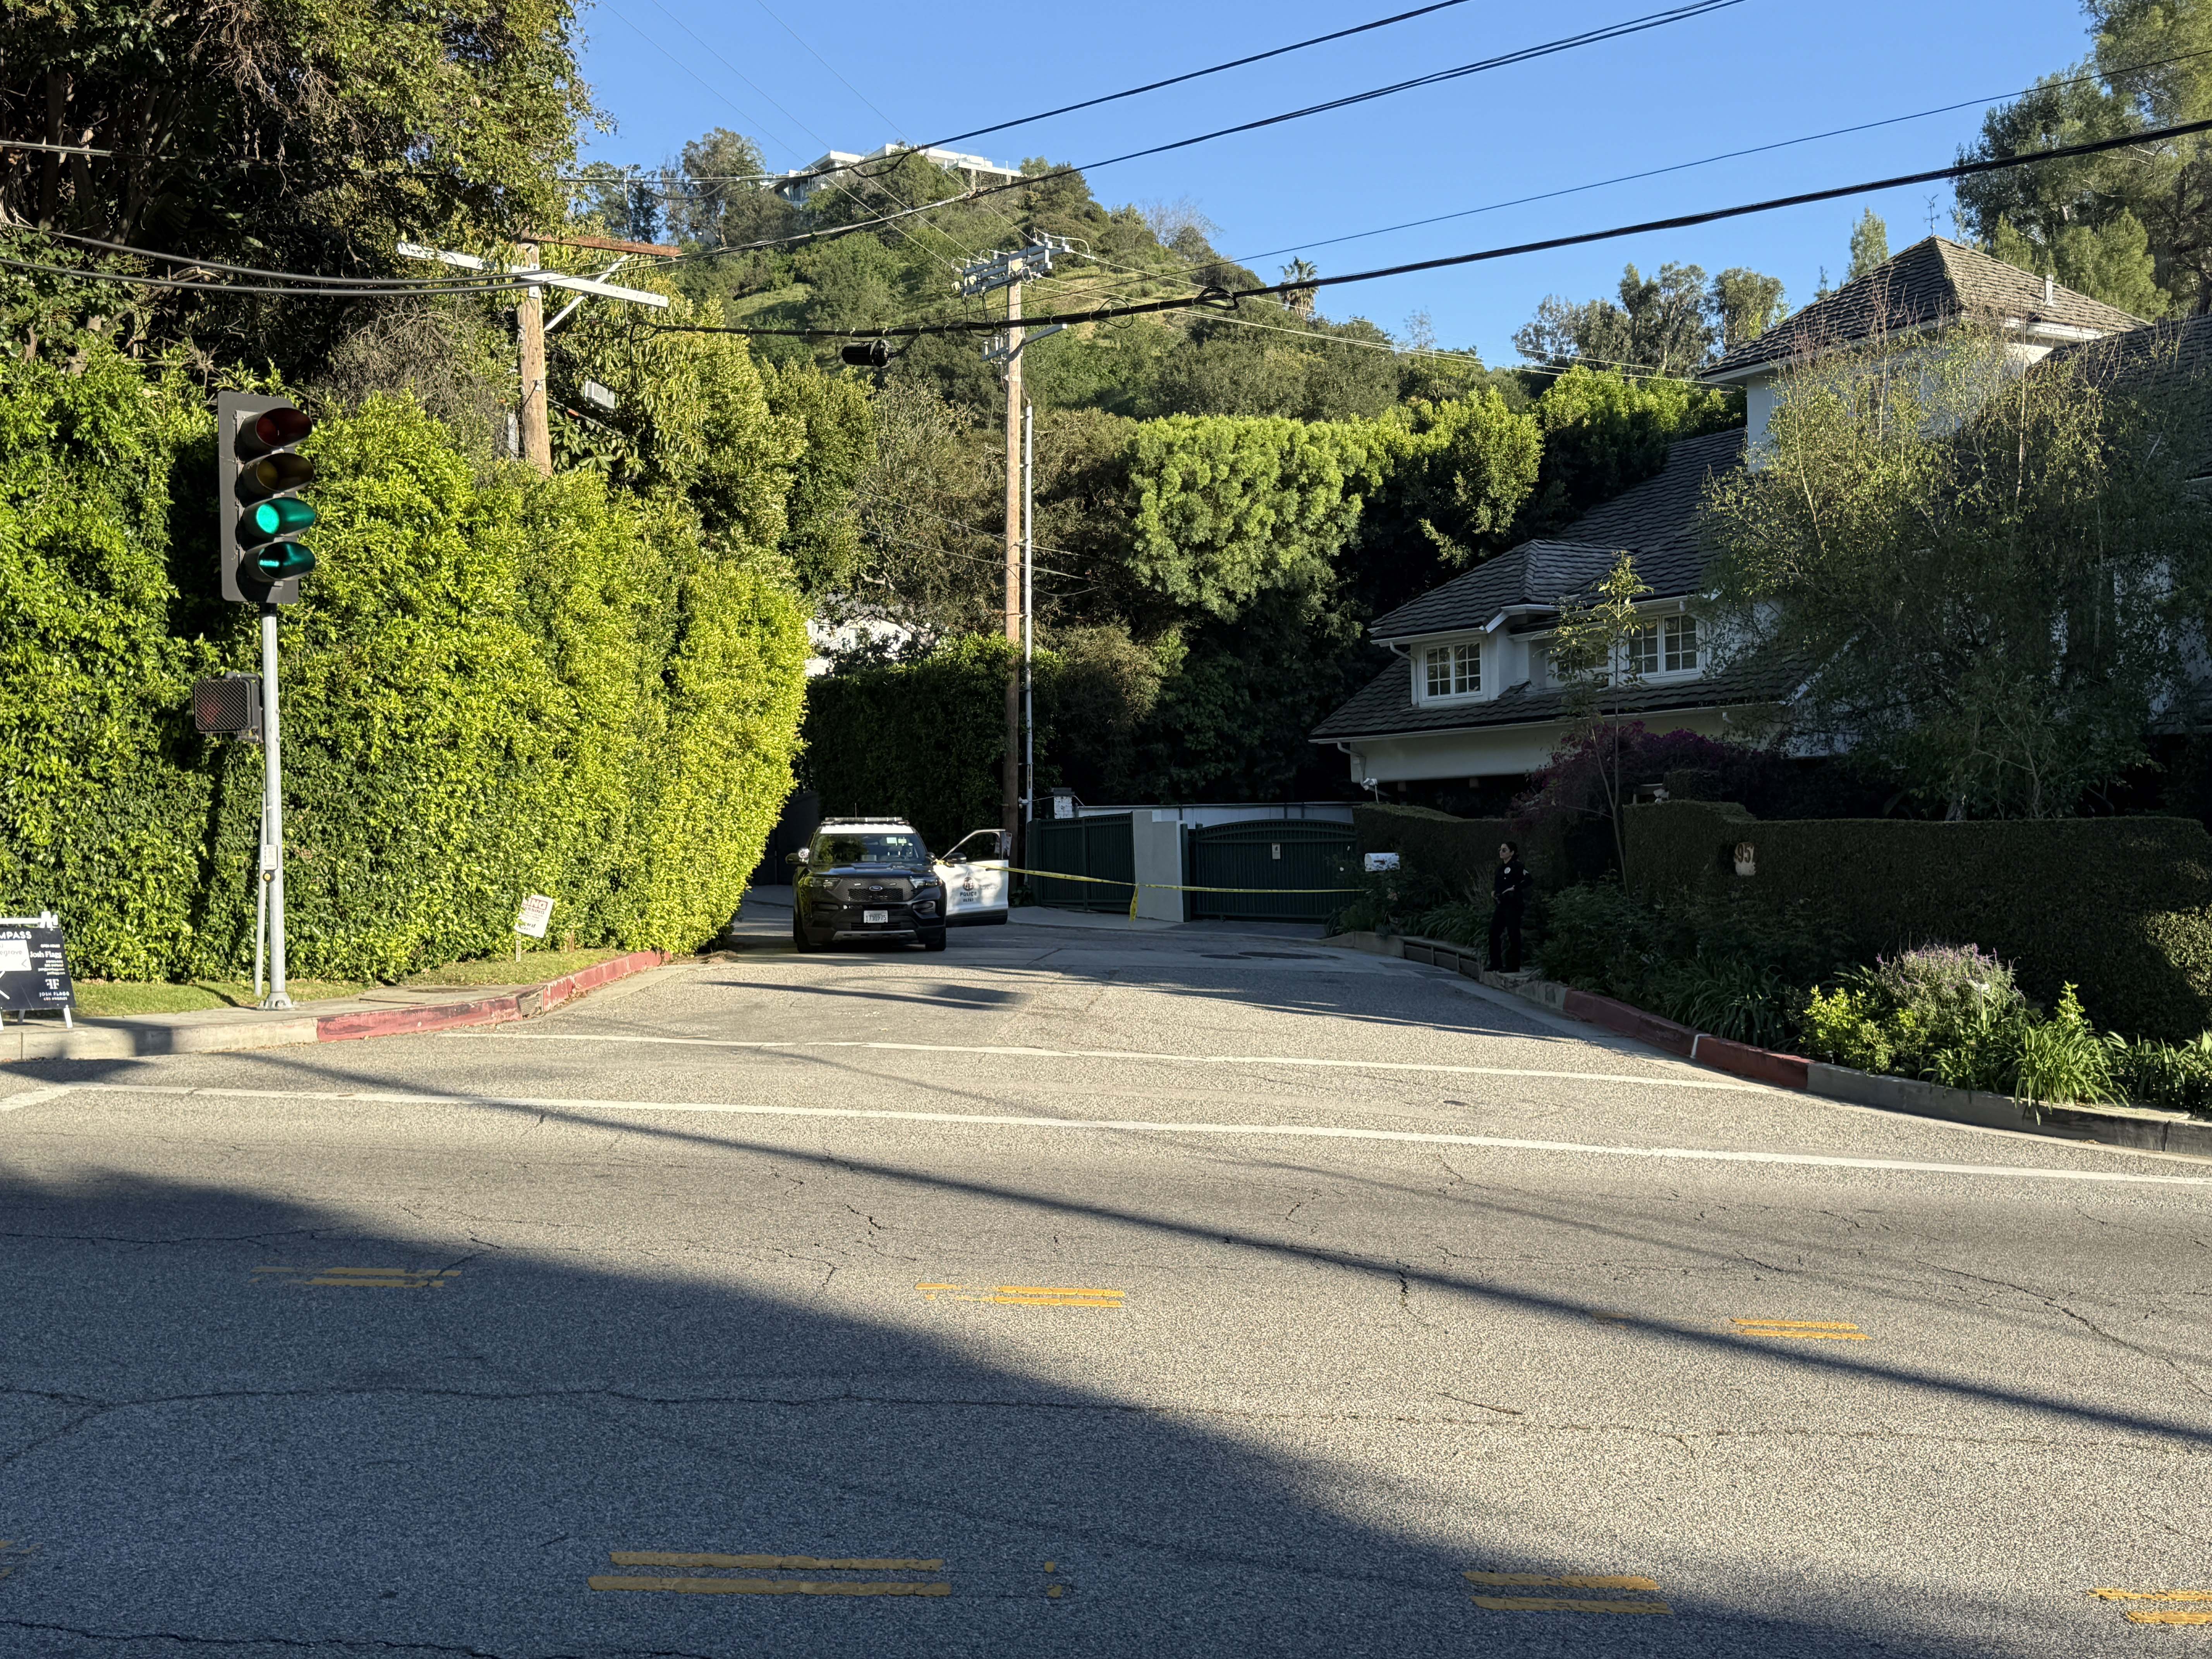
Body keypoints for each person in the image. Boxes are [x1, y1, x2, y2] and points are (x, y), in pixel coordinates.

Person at [1488, 840, 1530, 973]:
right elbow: (1498, 884)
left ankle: (1513, 965)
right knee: (1493, 932)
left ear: (1512, 853)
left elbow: (1529, 880)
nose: (1501, 852)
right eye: (1500, 850)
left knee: (1513, 934)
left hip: (1513, 905)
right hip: (1502, 904)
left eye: (1504, 850)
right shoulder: (1500, 868)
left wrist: (1515, 888)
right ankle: (1496, 963)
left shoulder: (1518, 866)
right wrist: (1494, 892)